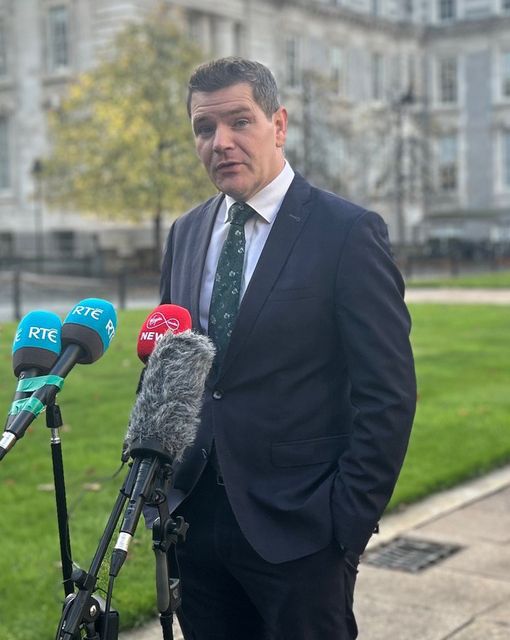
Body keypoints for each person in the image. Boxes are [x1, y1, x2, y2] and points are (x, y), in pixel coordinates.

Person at [157, 57, 416, 640]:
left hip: (301, 533)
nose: (220, 142)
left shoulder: (346, 232)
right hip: (195, 523)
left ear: (278, 124)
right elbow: (171, 373)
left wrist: (343, 526)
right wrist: (161, 495)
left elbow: (388, 393)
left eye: (239, 121)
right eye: (204, 128)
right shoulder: (187, 233)